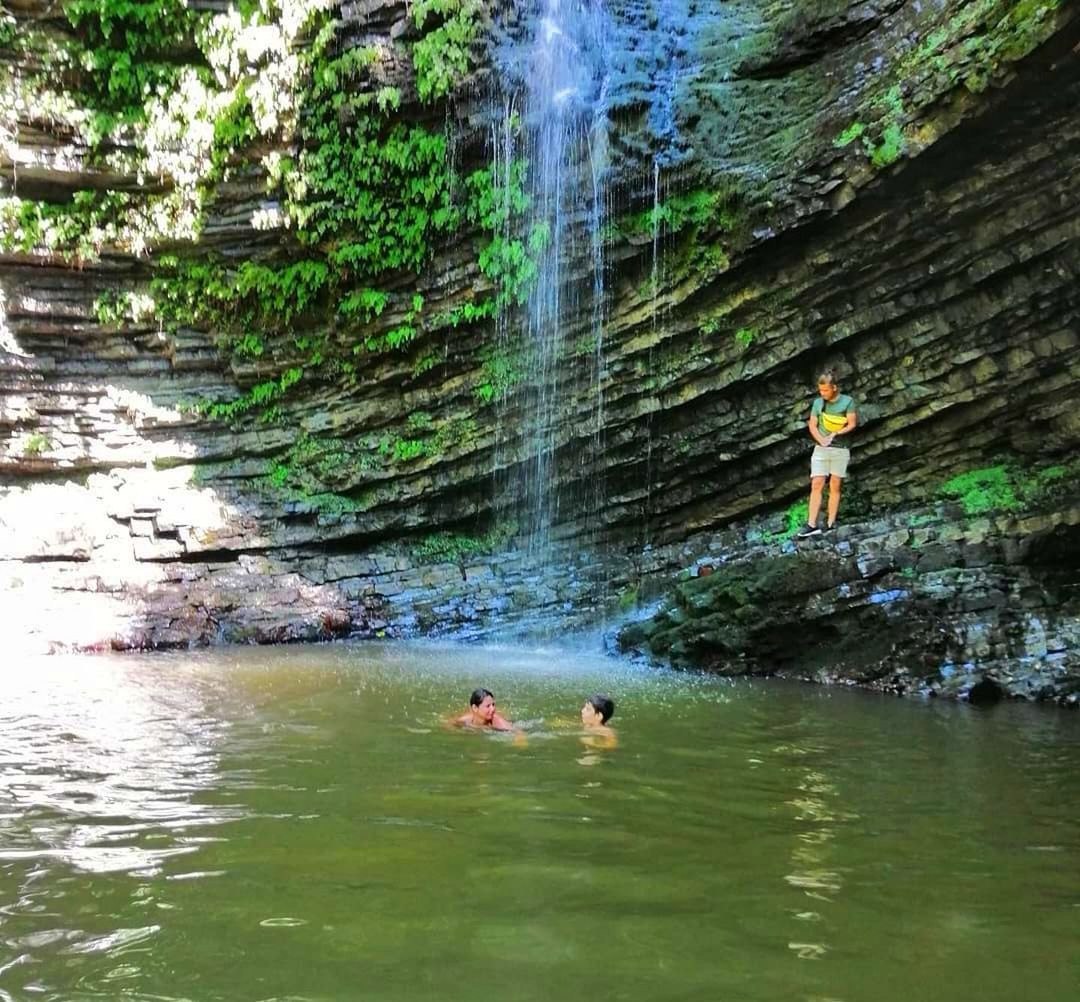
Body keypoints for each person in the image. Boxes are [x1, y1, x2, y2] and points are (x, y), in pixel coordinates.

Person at [797, 369, 857, 537]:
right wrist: (821, 440)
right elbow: (812, 425)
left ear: (834, 388)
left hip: (840, 449)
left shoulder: (847, 402)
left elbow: (852, 423)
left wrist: (836, 433)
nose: (822, 393)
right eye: (820, 390)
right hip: (821, 449)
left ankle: (831, 523)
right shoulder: (818, 403)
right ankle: (811, 524)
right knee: (817, 483)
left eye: (826, 390)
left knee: (835, 484)